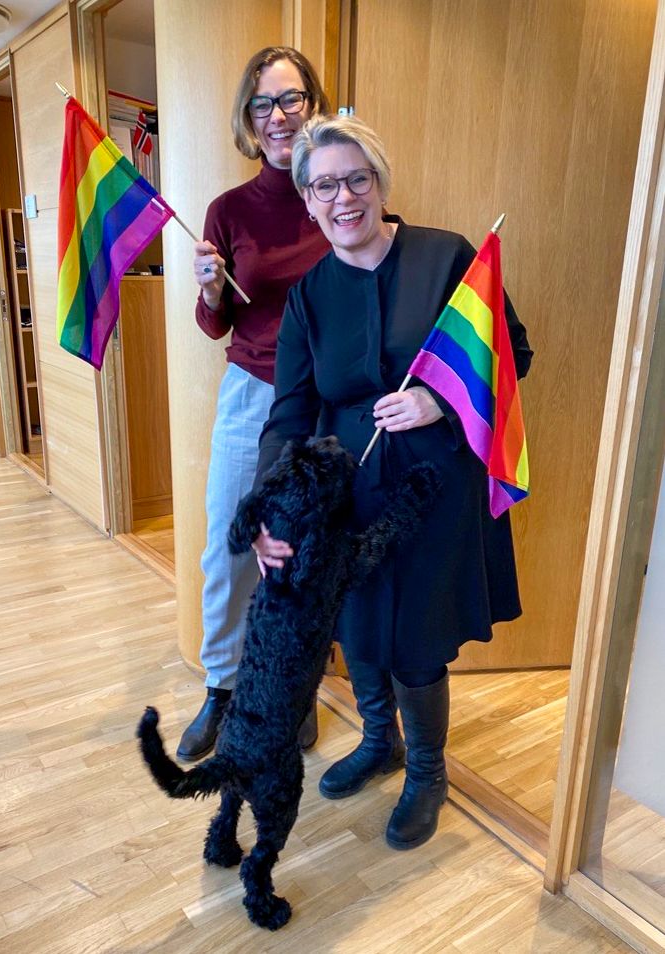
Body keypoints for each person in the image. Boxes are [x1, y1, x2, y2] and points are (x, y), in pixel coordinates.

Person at [252, 114, 533, 850]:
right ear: (307, 200)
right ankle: (381, 741)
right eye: (324, 186)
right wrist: (269, 511)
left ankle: (428, 772)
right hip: (347, 501)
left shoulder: (447, 258)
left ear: (379, 183)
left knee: (416, 637)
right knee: (358, 625)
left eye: (357, 179)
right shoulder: (309, 296)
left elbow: (513, 351)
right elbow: (289, 414)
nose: (343, 198)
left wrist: (438, 399)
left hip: (434, 492)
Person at [176, 49, 331, 763]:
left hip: (326, 397)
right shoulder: (229, 209)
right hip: (253, 393)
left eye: (291, 99)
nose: (278, 116)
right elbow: (216, 325)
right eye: (263, 104)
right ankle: (223, 686)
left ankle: (298, 687)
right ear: (248, 117)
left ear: (313, 104)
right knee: (231, 544)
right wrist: (210, 289)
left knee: (308, 549)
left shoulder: (334, 189)